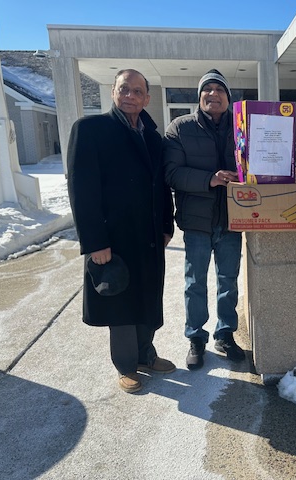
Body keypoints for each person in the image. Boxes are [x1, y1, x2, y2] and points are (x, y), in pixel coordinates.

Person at [67, 69, 176, 394]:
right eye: (124, 89)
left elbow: (161, 186)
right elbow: (82, 190)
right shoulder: (90, 130)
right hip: (113, 238)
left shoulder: (153, 137)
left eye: (137, 91)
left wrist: (166, 225)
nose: (130, 95)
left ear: (147, 98)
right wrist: (95, 242)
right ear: (113, 92)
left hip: (148, 236)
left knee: (147, 297)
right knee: (121, 302)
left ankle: (146, 354)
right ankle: (126, 365)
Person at [163, 69, 245, 370]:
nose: (213, 94)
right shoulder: (181, 128)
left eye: (219, 89)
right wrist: (210, 179)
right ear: (199, 97)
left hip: (233, 219)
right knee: (195, 282)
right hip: (197, 222)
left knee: (228, 281)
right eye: (207, 89)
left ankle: (225, 334)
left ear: (228, 97)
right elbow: (171, 173)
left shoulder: (243, 128)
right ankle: (196, 337)